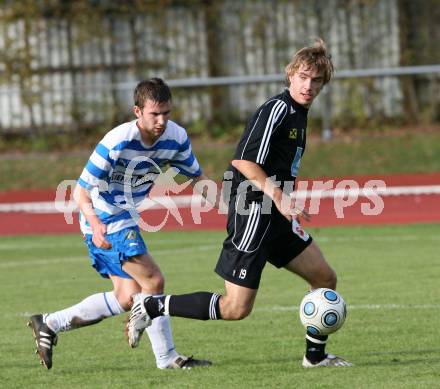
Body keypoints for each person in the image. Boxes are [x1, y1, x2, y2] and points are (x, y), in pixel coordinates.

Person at [127, 39, 353, 368]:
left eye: (316, 80)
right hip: (253, 211)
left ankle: (315, 358)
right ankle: (151, 307)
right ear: (290, 75)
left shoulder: (298, 115)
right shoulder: (277, 109)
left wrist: (281, 202)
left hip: (275, 214)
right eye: (303, 76)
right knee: (236, 308)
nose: (308, 85)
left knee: (324, 278)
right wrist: (280, 198)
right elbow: (243, 162)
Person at [28, 77, 219, 370]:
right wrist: (95, 223)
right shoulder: (117, 140)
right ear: (137, 111)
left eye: (166, 113)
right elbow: (79, 191)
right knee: (153, 281)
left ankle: (50, 324)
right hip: (103, 216)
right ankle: (167, 358)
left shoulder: (176, 138)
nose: (161, 121)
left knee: (128, 296)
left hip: (124, 216)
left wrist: (228, 207)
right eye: (154, 114)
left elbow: (197, 178)